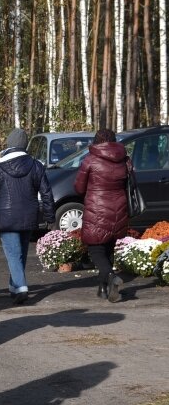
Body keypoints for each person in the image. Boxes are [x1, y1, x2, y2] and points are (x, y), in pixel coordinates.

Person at [0, 128, 55, 304]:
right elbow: (47, 193)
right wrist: (50, 218)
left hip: (6, 217)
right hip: (29, 215)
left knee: (13, 254)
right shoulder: (36, 165)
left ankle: (20, 288)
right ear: (25, 144)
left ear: (9, 143)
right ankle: (15, 286)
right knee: (20, 253)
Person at [73, 128, 128, 302]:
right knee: (109, 247)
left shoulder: (90, 160)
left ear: (97, 141)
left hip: (97, 209)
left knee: (96, 249)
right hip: (119, 208)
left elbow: (79, 188)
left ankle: (110, 277)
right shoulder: (125, 160)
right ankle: (104, 289)